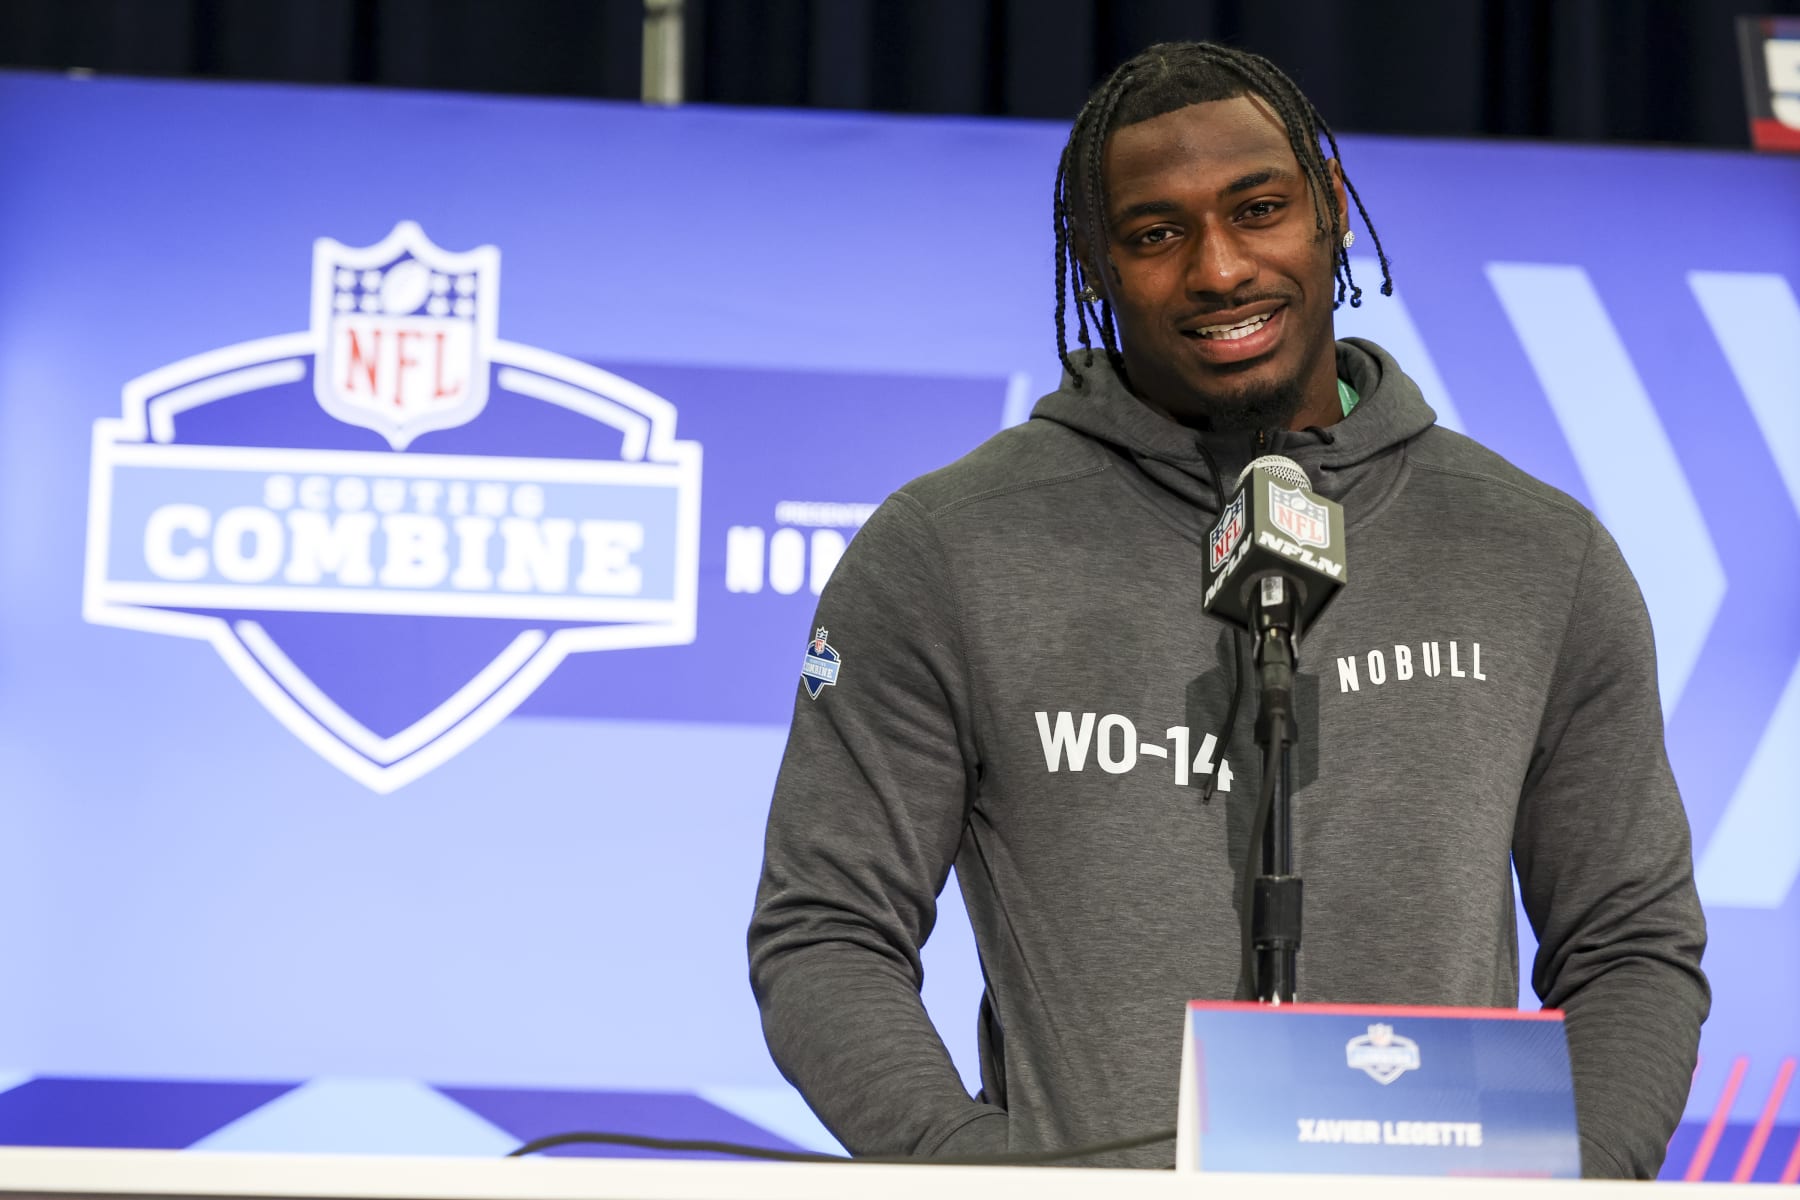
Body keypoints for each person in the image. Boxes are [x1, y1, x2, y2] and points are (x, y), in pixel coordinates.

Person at [747, 40, 1708, 1177]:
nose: (1218, 270)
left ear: (1332, 210)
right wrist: (978, 1175)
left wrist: (1576, 1185)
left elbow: (1631, 944)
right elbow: (825, 933)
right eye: (1157, 235)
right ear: (1095, 263)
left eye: (1259, 208)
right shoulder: (948, 549)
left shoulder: (1539, 553)